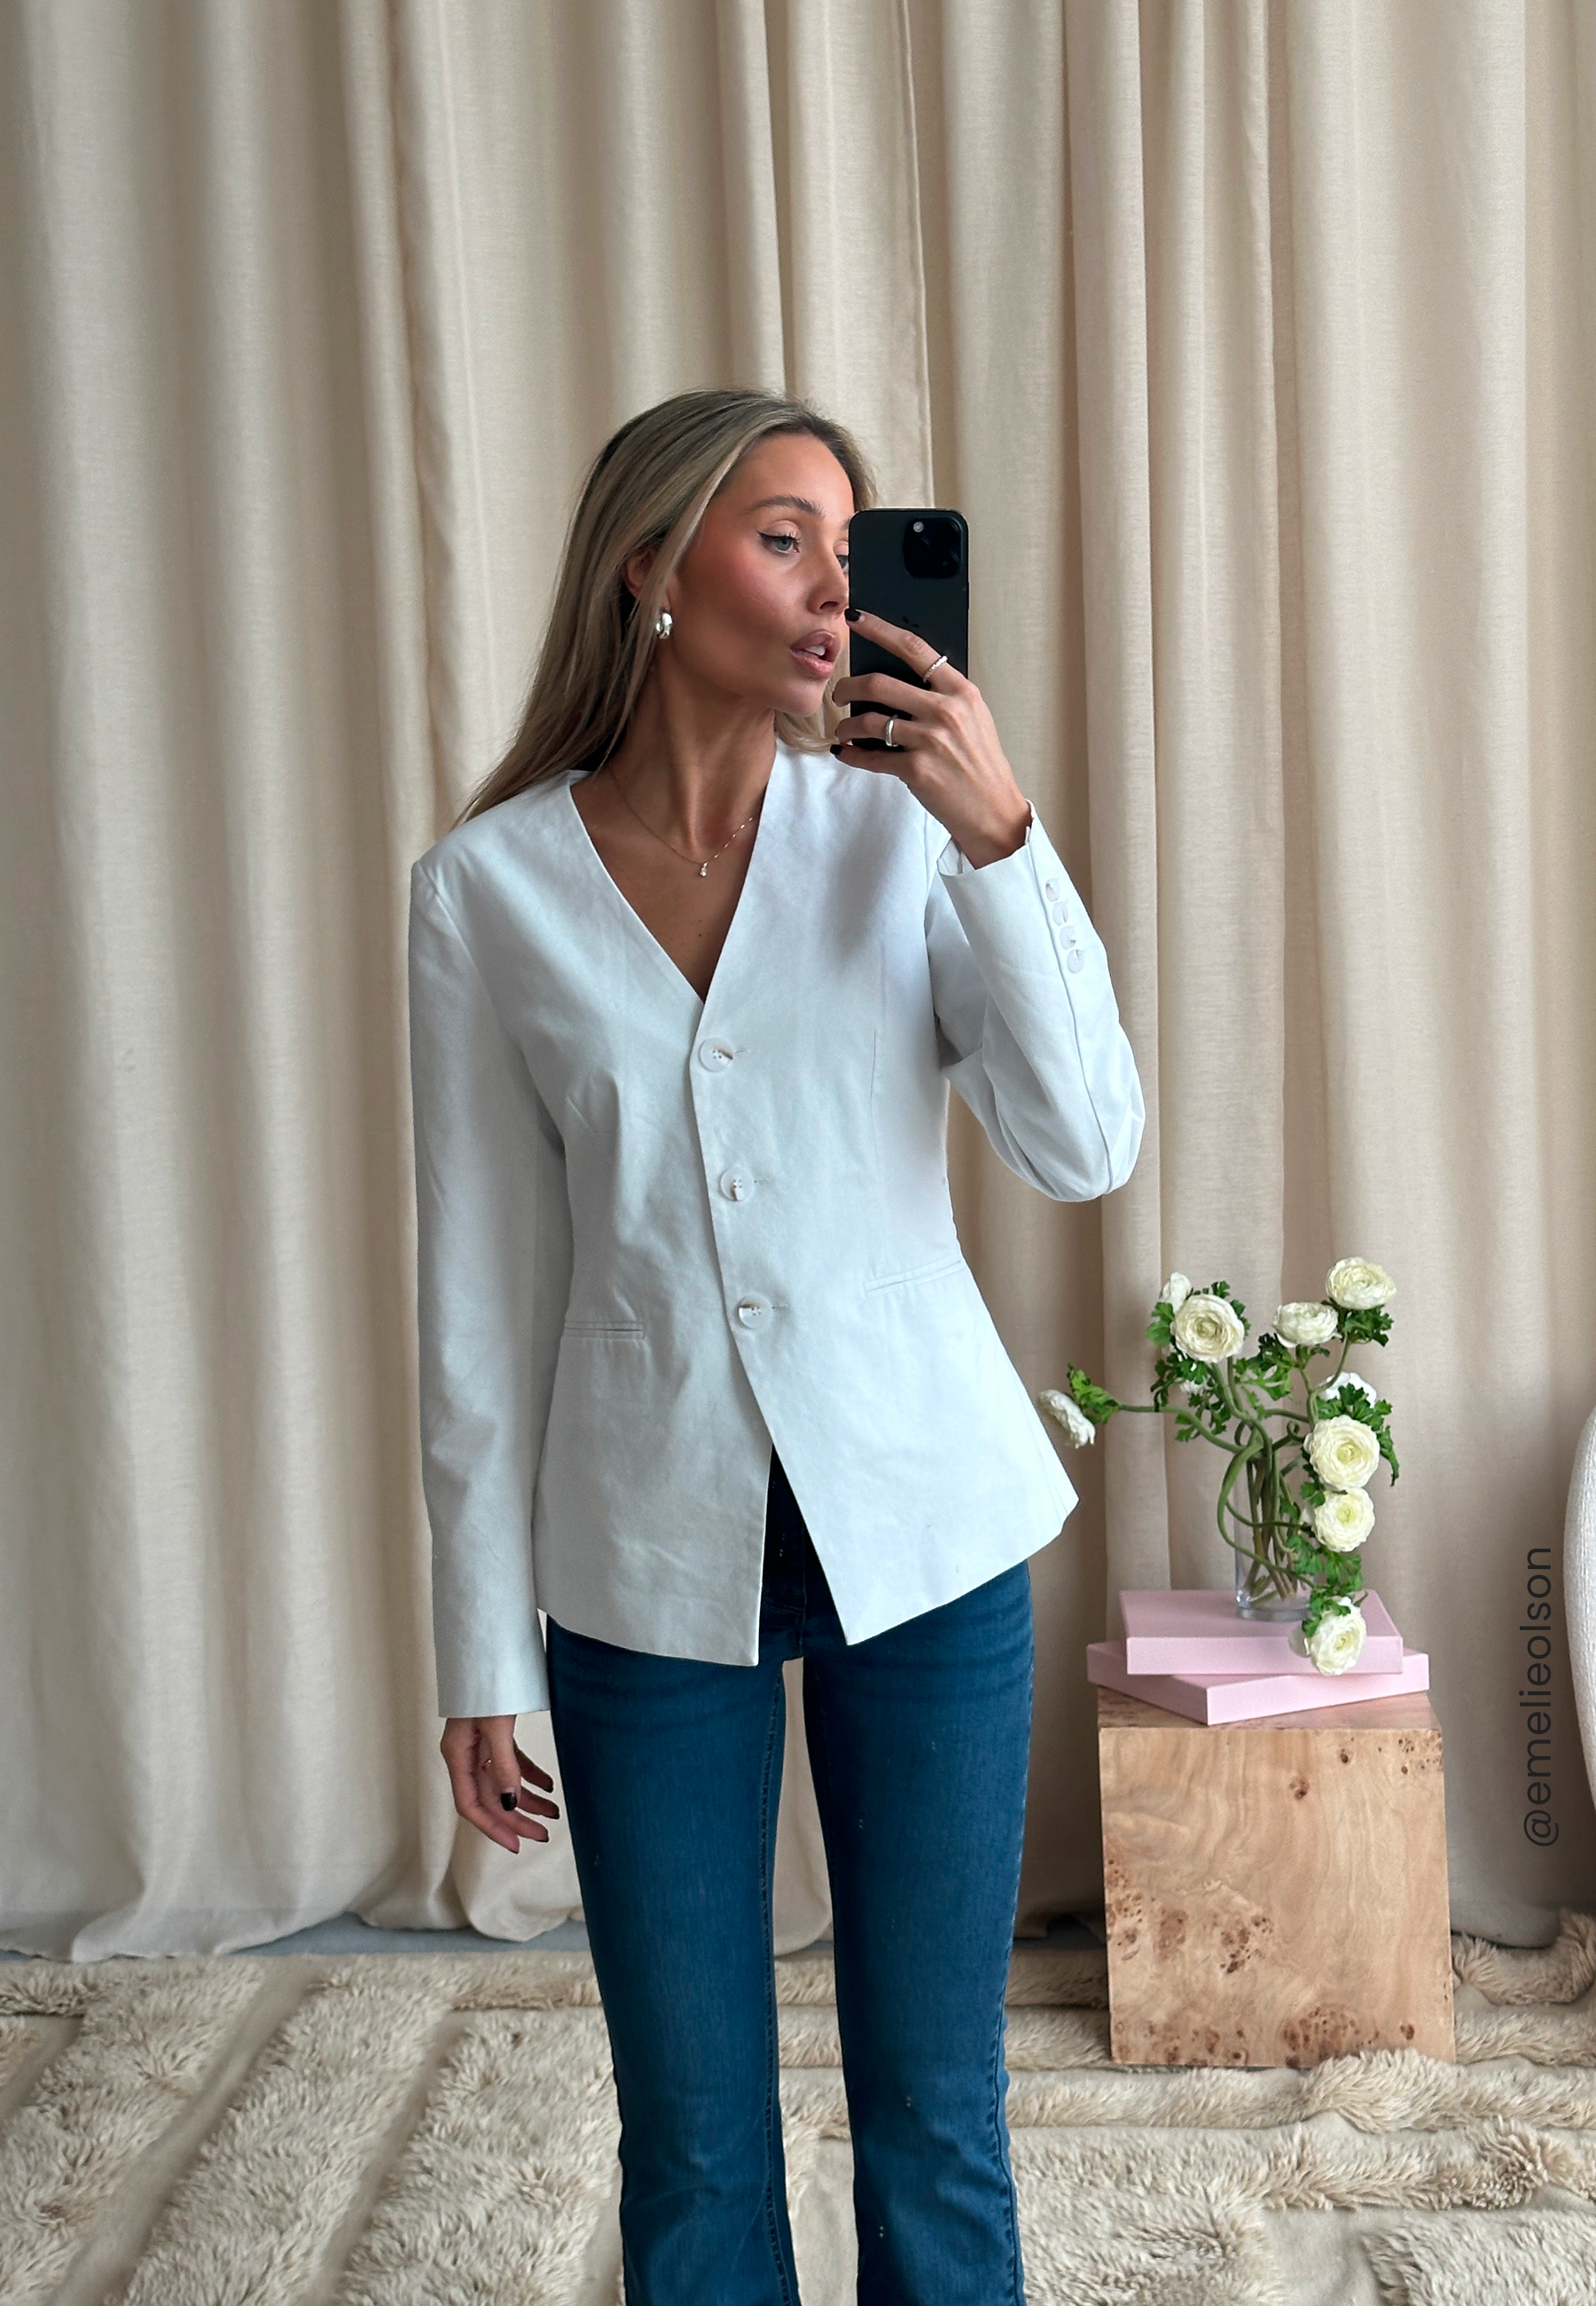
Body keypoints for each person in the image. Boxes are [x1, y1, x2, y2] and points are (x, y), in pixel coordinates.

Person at [407, 386, 1144, 2305]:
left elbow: (1083, 1146)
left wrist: (1004, 839)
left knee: (936, 2112)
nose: (834, 587)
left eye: (849, 543)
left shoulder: (900, 839)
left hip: (929, 1534)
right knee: (694, 2139)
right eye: (783, 536)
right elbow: (478, 1296)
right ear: (651, 566)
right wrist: (480, 1647)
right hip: (646, 1560)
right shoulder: (486, 894)